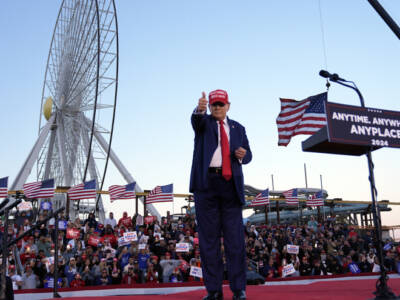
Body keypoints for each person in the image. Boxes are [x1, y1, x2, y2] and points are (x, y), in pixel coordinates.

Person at [190, 89, 252, 300]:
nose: (217, 108)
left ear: (228, 106)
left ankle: (238, 289)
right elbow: (195, 121)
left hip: (230, 186)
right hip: (206, 185)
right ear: (209, 107)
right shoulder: (204, 123)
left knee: (235, 241)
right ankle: (214, 290)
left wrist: (243, 155)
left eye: (220, 104)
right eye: (213, 104)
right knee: (209, 241)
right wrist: (199, 110)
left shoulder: (239, 128)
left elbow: (249, 154)